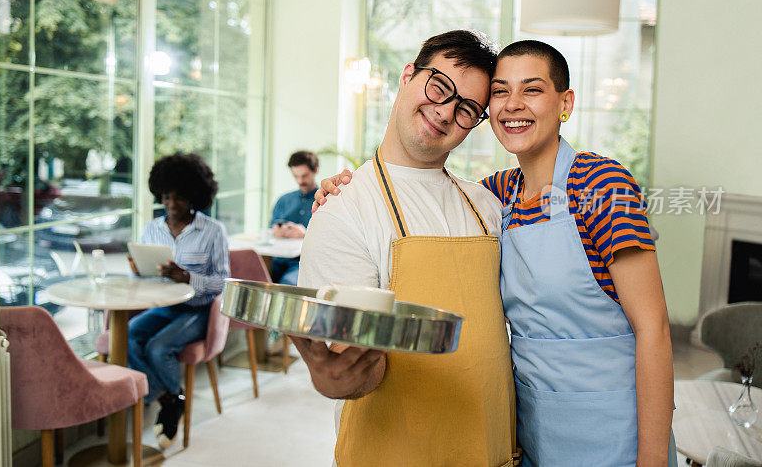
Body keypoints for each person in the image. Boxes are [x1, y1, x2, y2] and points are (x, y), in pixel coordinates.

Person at [314, 40, 677, 466]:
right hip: (531, 430)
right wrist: (333, 192)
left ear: (566, 102)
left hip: (612, 433)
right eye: (501, 92)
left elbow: (654, 329)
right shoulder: (495, 196)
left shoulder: (603, 185)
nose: (512, 105)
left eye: (533, 89)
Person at [294, 30, 519, 467]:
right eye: (439, 86)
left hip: (491, 448)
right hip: (392, 452)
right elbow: (355, 362)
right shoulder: (344, 210)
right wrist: (342, 377)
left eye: (467, 108)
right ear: (408, 75)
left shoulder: (487, 205)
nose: (445, 111)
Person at [126, 153, 230, 449]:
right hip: (163, 308)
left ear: (195, 197)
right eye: (166, 197)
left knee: (158, 349)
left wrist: (188, 278)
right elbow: (147, 280)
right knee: (129, 337)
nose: (172, 204)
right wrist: (138, 272)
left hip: (197, 311)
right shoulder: (151, 229)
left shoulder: (212, 231)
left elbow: (224, 282)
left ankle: (169, 401)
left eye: (180, 198)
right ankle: (171, 398)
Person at [269, 151, 319, 285]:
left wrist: (306, 234)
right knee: (253, 276)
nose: (300, 181)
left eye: (305, 176)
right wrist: (276, 229)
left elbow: (331, 236)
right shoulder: (283, 200)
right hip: (277, 259)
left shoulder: (324, 201)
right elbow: (271, 228)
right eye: (296, 176)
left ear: (315, 170)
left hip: (303, 261)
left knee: (287, 283)